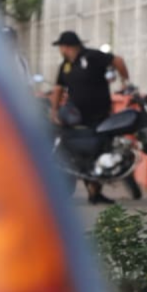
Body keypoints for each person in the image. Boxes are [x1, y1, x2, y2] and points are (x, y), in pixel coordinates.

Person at [49, 30, 130, 204]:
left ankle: (95, 192)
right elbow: (58, 88)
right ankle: (92, 191)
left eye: (62, 47)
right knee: (84, 154)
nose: (61, 50)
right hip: (77, 118)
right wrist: (54, 111)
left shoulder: (92, 56)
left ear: (68, 46)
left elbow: (118, 61)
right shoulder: (65, 66)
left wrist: (125, 82)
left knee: (100, 149)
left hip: (99, 114)